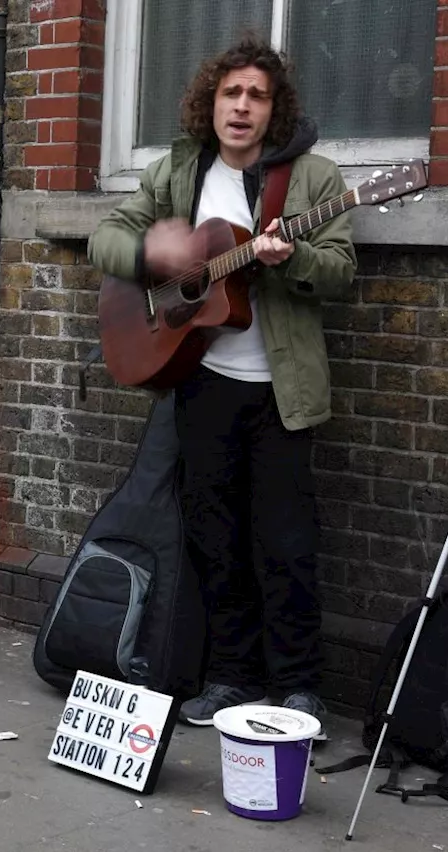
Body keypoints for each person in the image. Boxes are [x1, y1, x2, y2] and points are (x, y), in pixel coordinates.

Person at [87, 35, 357, 737]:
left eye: (257, 96)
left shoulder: (312, 179)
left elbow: (340, 272)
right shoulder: (179, 172)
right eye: (231, 93)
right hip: (202, 381)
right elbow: (105, 241)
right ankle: (230, 676)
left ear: (275, 111)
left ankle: (297, 686)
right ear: (211, 102)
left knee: (286, 541)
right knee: (215, 535)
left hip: (280, 388)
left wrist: (290, 257)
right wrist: (154, 248)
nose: (242, 107)